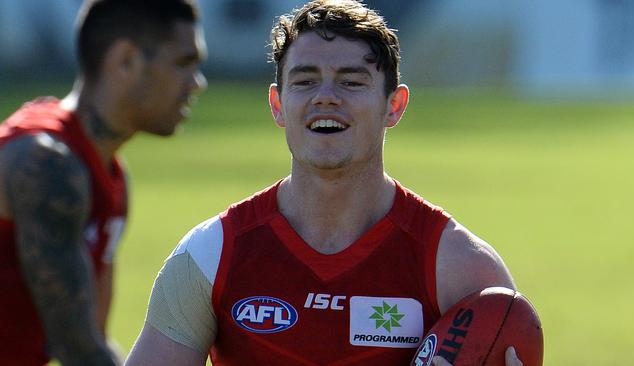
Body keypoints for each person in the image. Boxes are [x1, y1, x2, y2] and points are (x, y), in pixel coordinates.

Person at [125, 1, 530, 365]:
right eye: (305, 80)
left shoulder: (460, 267)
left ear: (394, 105)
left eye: (351, 82)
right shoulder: (211, 254)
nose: (326, 97)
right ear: (278, 105)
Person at [0, 0, 206, 364]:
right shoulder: (46, 163)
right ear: (125, 59)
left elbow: (93, 338)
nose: (197, 84)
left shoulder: (110, 176)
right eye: (183, 63)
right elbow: (77, 348)